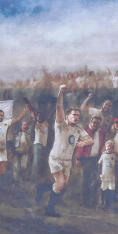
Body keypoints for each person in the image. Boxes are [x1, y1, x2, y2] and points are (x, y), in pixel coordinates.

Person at [45, 85, 92, 217]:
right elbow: (59, 107)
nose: (76, 117)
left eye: (78, 115)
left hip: (67, 162)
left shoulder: (78, 128)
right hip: (56, 158)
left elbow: (90, 140)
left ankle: (50, 206)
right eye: (74, 115)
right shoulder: (61, 125)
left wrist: (83, 142)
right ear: (67, 116)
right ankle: (50, 209)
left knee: (62, 186)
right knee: (60, 184)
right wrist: (60, 92)